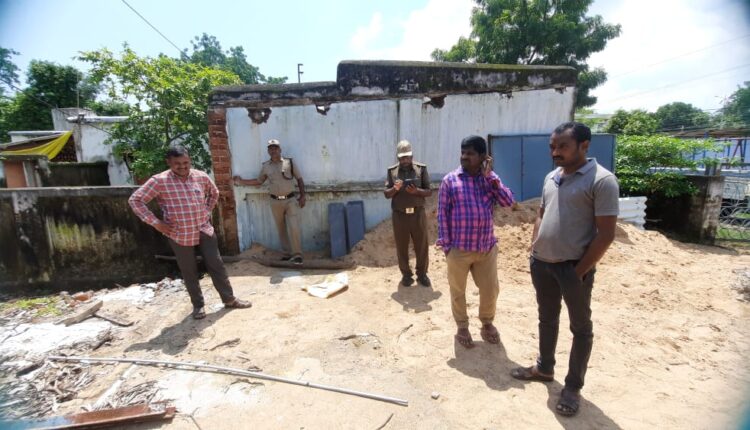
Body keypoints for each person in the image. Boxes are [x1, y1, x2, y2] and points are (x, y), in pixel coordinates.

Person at [510, 122, 619, 417]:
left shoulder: (602, 181)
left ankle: (572, 387)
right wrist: (534, 246)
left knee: (580, 328)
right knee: (547, 318)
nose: (555, 152)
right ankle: (545, 368)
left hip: (573, 268)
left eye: (562, 147)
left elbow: (606, 234)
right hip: (542, 264)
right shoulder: (551, 177)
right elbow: (542, 213)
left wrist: (579, 271)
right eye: (552, 147)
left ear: (584, 146)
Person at [129, 145, 252, 320]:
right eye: (177, 163)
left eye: (185, 162)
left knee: (216, 265)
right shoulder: (159, 181)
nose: (182, 166)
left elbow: (214, 193)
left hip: (204, 229)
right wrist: (157, 223)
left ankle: (229, 299)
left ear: (190, 161)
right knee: (189, 270)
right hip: (179, 233)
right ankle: (198, 306)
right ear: (169, 162)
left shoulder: (200, 176)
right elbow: (135, 200)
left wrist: (206, 210)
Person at [436, 135, 515, 349]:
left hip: (486, 248)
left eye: (470, 153)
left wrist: (491, 177)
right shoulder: (450, 181)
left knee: (490, 289)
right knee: (457, 291)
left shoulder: (489, 180)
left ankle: (487, 323)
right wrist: (447, 246)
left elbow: (508, 201)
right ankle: (462, 326)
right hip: (459, 249)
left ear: (483, 157)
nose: (464, 157)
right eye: (463, 152)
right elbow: (442, 214)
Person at [233, 139, 306, 264]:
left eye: (275, 148)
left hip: (290, 200)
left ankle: (297, 254)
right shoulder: (266, 166)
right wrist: (241, 181)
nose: (273, 150)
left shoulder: (289, 162)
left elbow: (299, 179)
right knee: (281, 228)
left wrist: (303, 196)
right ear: (268, 151)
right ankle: (287, 253)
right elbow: (259, 181)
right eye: (270, 148)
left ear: (280, 149)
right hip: (275, 201)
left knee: (294, 227)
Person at [384, 140, 432, 287]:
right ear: (398, 157)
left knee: (421, 246)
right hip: (400, 216)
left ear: (412, 155)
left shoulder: (421, 169)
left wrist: (416, 191)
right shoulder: (392, 171)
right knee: (401, 246)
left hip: (418, 214)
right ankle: (406, 275)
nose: (405, 160)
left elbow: (429, 191)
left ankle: (422, 274)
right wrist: (395, 189)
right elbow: (387, 194)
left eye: (407, 157)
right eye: (402, 157)